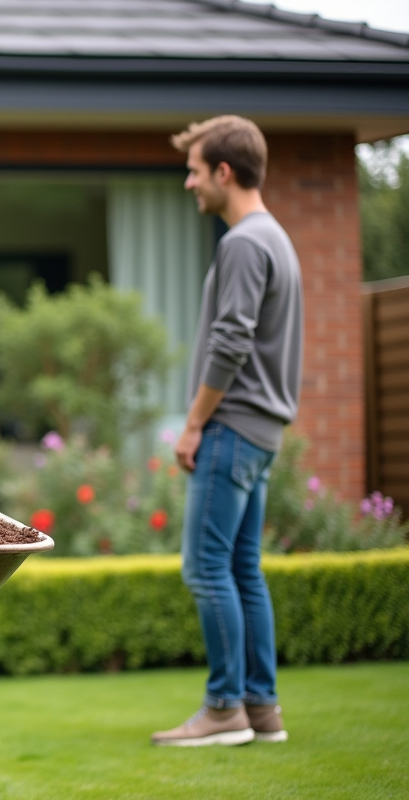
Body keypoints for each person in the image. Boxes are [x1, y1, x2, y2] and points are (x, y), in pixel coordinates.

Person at [152, 116, 303, 747]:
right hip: (263, 431)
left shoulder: (244, 242)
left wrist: (192, 426)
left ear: (223, 171)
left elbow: (231, 338)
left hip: (232, 428)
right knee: (243, 568)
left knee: (206, 568)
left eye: (194, 170)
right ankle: (260, 708)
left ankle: (223, 709)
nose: (188, 183)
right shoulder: (278, 238)